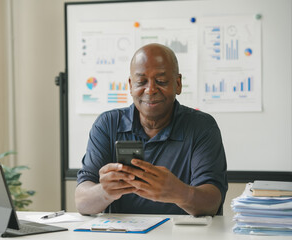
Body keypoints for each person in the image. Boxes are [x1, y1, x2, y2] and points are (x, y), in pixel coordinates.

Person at [75, 43, 228, 216]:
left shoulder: (201, 127)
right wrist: (105, 191)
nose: (150, 90)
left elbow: (212, 203)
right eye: (141, 82)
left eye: (161, 81)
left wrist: (179, 192)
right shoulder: (108, 124)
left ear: (178, 84)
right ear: (131, 85)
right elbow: (82, 203)